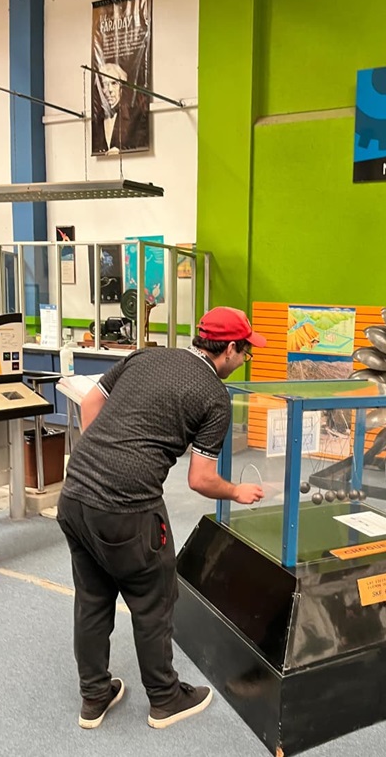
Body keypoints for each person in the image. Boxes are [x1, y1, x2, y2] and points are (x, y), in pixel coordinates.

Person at [56, 307, 267, 730]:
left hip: (74, 493)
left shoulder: (147, 355)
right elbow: (200, 479)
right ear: (229, 348)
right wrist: (236, 491)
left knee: (93, 598)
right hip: (127, 509)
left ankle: (94, 696)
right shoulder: (215, 397)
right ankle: (166, 698)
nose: (245, 358)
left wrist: (101, 459)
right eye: (246, 351)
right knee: (153, 600)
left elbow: (92, 400)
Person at [92, 62, 148, 155]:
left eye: (114, 83)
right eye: (105, 84)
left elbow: (140, 145)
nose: (110, 90)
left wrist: (122, 150)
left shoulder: (135, 118)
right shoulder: (97, 121)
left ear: (121, 88)